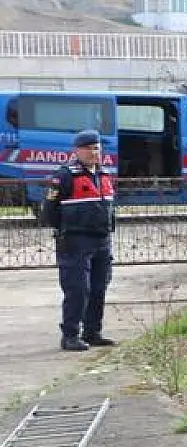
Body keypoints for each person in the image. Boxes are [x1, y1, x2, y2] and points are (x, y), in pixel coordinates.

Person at [44, 129, 117, 352]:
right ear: (77, 151)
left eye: (96, 148)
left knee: (98, 287)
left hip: (101, 240)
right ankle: (70, 335)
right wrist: (63, 231)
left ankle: (92, 332)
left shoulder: (104, 175)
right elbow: (49, 210)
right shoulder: (65, 175)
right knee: (78, 289)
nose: (93, 152)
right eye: (88, 148)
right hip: (76, 240)